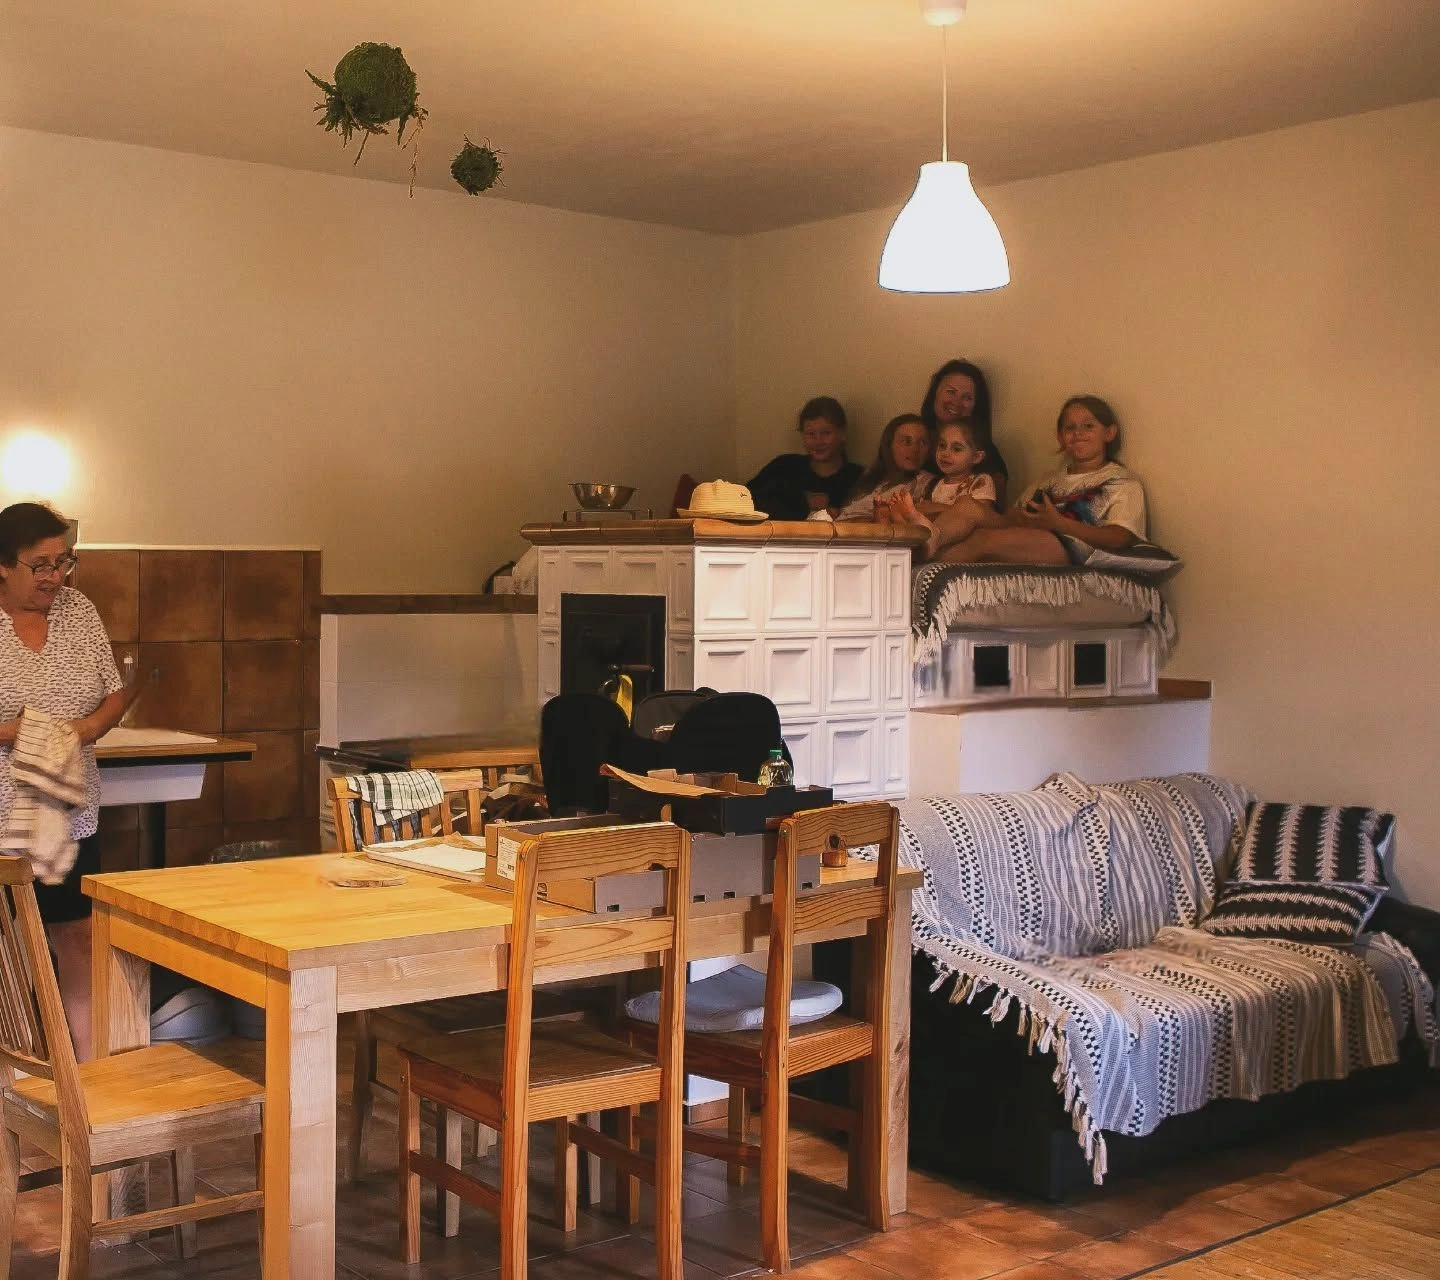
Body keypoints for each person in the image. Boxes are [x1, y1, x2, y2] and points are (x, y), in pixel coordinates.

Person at [0, 502, 136, 1060]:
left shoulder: (79, 611)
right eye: (40, 565)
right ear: (2, 565)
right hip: (2, 817)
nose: (55, 577)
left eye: (63, 562)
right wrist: (18, 733)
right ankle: (13, 1079)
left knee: (77, 936)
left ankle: (88, 1072)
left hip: (68, 812)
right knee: (8, 953)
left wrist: (85, 729)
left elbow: (113, 693)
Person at [901, 394, 1145, 564]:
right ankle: (931, 539)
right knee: (968, 505)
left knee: (985, 539)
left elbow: (1121, 537)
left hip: (1068, 543)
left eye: (1088, 426)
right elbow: (1011, 516)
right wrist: (1012, 516)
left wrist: (1060, 524)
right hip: (1029, 531)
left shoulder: (1121, 481)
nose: (1078, 433)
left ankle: (916, 562)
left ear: (1109, 433)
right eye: (1070, 428)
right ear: (1060, 437)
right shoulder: (1047, 481)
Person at [745, 396, 862, 521]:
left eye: (826, 433)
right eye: (811, 434)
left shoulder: (859, 479)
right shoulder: (783, 468)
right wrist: (800, 504)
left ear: (843, 433)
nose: (818, 441)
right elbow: (744, 500)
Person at [920, 358, 1010, 509]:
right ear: (935, 394)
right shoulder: (916, 436)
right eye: (951, 392)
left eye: (967, 397)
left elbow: (991, 513)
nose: (957, 401)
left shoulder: (987, 455)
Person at [831, 413, 935, 521]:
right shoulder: (872, 478)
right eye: (907, 441)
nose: (915, 449)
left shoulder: (926, 484)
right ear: (889, 445)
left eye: (922, 443)